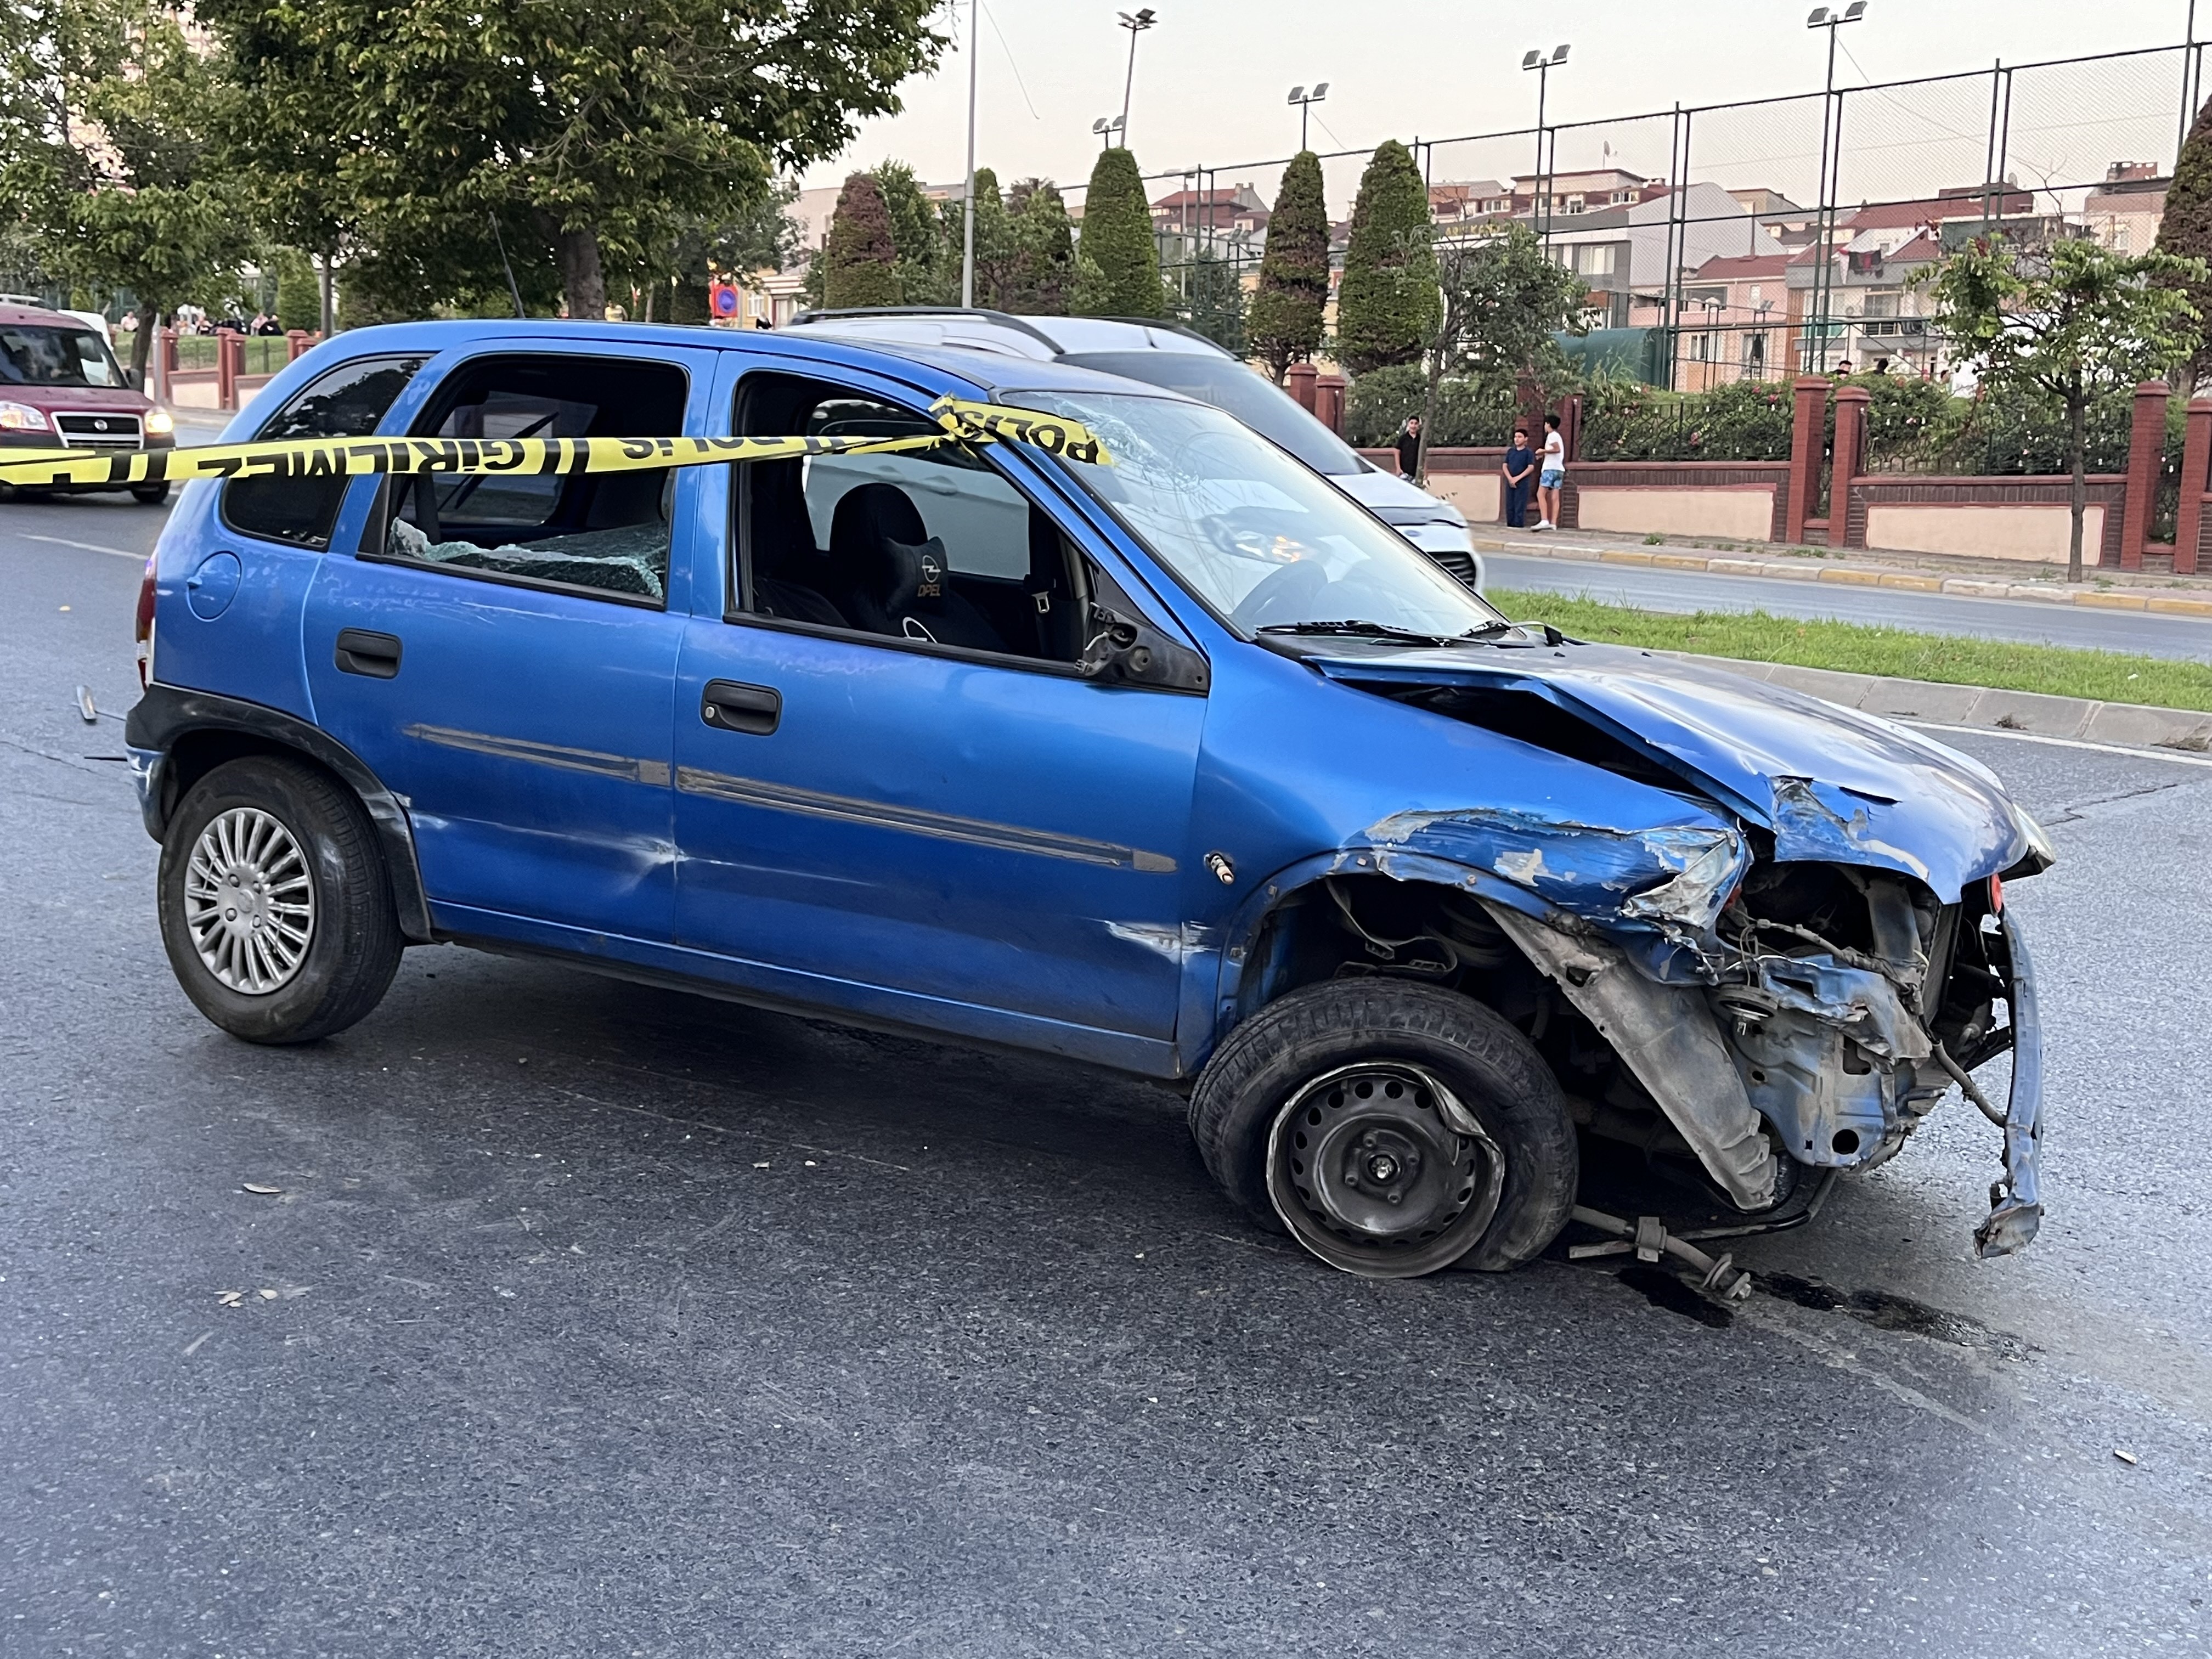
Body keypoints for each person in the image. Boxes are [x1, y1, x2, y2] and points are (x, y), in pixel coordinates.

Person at [1534, 412, 1566, 532]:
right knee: (1555, 496)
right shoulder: (1558, 436)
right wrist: (1544, 454)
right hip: (1559, 469)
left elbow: (1556, 449)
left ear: (1548, 424)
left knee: (1540, 494)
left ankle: (1544, 520)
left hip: (1550, 469)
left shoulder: (1552, 436)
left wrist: (1543, 451)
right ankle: (1554, 523)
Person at [1500, 426, 1536, 529]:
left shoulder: (1528, 452)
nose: (1517, 439)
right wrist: (1510, 478)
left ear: (1525, 439)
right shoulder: (1511, 451)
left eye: (1520, 437)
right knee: (1510, 503)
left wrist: (1518, 478)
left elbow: (1531, 467)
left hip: (1522, 482)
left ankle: (1518, 524)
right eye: (1515, 437)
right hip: (1510, 481)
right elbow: (1505, 465)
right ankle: (1510, 523)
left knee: (1520, 503)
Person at [1396, 415, 1422, 481]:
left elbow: (1424, 456)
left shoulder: (1421, 439)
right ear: (1408, 424)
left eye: (1416, 424)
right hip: (1404, 472)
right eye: (1412, 423)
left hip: (1416, 473)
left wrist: (1425, 472)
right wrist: (1398, 468)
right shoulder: (1403, 439)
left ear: (1418, 425)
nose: (1414, 426)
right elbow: (1397, 453)